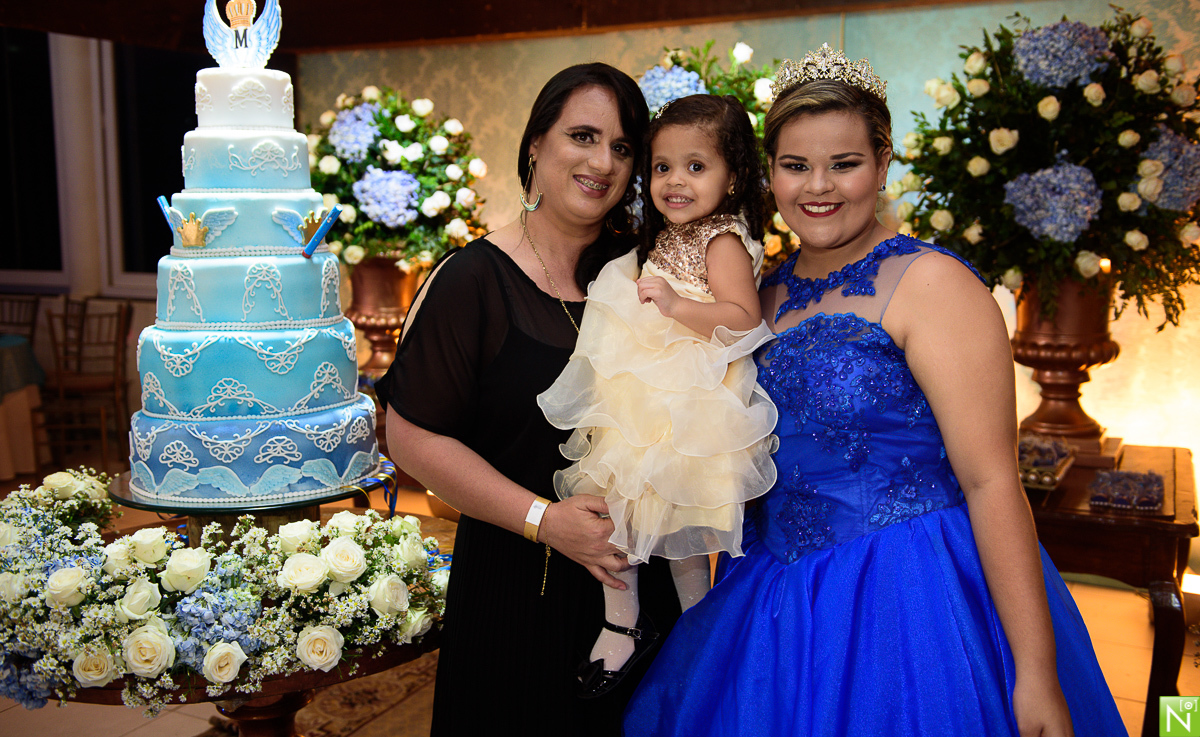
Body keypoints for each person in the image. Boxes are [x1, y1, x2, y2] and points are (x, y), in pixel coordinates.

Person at [623, 45, 1126, 736]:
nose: (817, 186)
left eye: (845, 163)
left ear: (883, 162)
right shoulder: (756, 292)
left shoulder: (933, 283)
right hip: (770, 603)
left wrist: (1033, 669)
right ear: (768, 173)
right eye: (795, 165)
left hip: (909, 599)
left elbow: (990, 482)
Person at [376, 63, 681, 737]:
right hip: (520, 581)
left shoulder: (645, 273)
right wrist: (547, 519)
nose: (603, 161)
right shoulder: (471, 281)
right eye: (582, 135)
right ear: (536, 144)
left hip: (638, 582)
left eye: (623, 147)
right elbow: (411, 436)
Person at [537, 94, 779, 697]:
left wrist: (676, 305)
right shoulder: (667, 235)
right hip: (640, 401)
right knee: (616, 511)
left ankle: (699, 630)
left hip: (689, 403)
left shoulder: (720, 240)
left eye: (696, 167)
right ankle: (622, 620)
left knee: (681, 526)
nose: (675, 181)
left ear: (734, 176)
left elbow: (744, 318)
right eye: (664, 167)